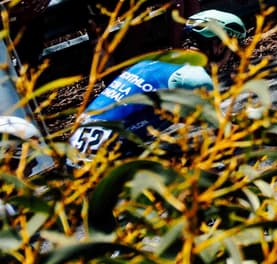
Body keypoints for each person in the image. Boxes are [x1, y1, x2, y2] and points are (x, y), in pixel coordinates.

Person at [68, 10, 249, 162]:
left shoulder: (151, 62)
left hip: (77, 150)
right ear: (218, 45)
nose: (231, 57)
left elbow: (186, 115)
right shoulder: (194, 77)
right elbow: (226, 134)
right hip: (106, 158)